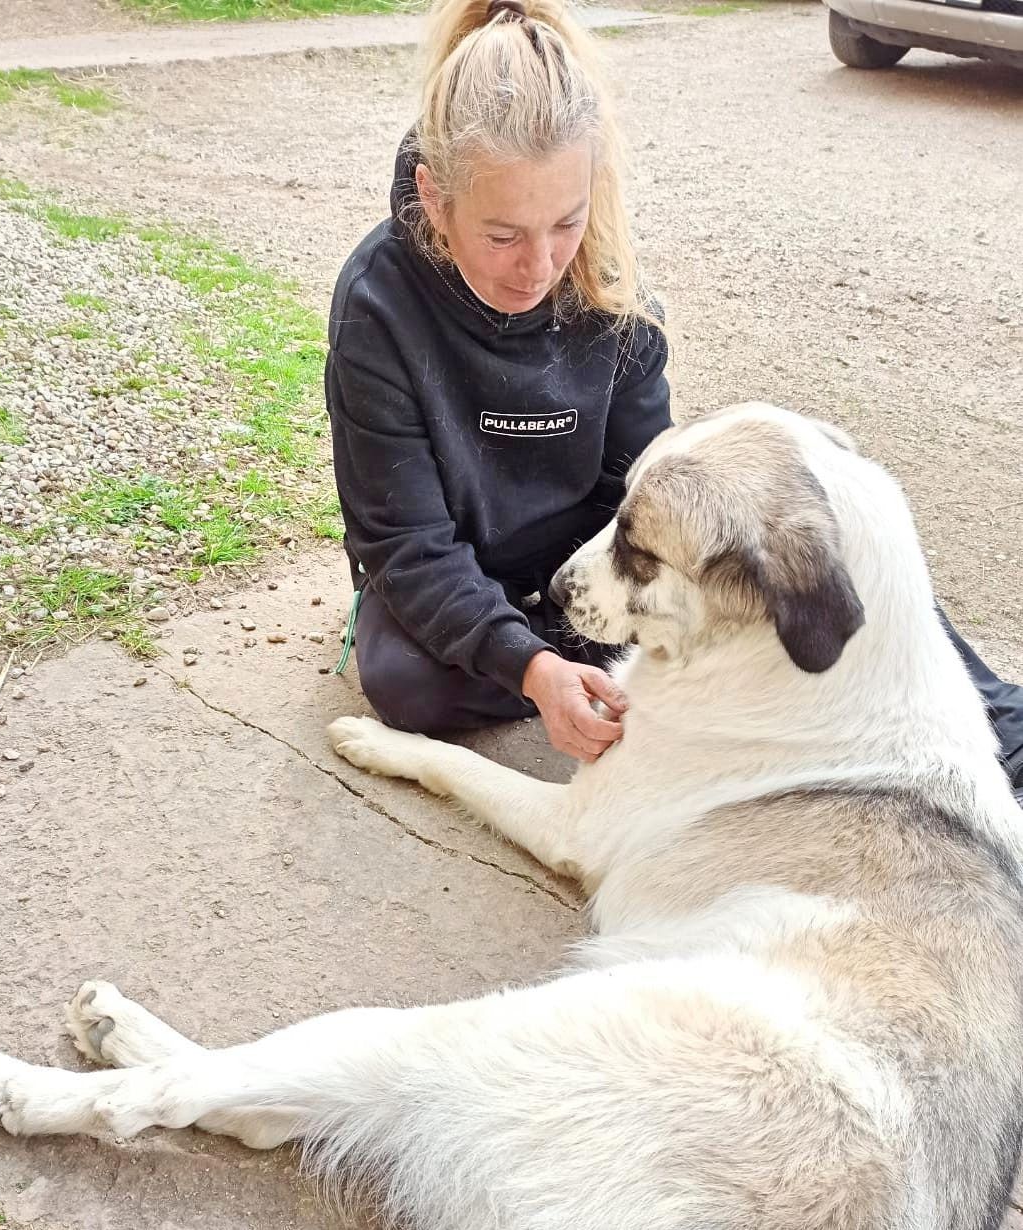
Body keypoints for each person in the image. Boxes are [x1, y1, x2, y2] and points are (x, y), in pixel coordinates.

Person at [324, 0, 1023, 797]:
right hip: (456, 567)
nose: (540, 265)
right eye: (502, 235)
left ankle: (1005, 727)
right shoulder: (376, 304)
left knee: (801, 561)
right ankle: (605, 666)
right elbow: (405, 544)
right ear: (434, 197)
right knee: (406, 683)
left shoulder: (612, 290)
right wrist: (531, 665)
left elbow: (647, 502)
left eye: (566, 223)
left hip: (595, 559)